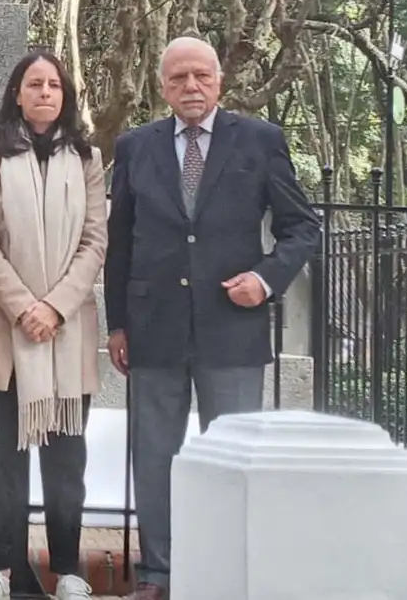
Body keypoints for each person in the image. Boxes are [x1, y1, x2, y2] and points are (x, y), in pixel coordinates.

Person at [104, 35, 320, 600]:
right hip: (154, 329)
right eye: (178, 79)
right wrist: (116, 324)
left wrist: (266, 278)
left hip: (233, 326)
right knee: (155, 456)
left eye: (201, 76)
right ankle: (158, 574)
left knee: (232, 458)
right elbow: (119, 241)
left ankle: (226, 574)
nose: (191, 87)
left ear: (220, 82)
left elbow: (302, 227)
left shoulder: (260, 141)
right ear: (162, 87)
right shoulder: (135, 147)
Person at [0, 52, 107, 600]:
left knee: (66, 463)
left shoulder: (87, 158)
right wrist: (23, 306)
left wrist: (55, 306)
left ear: (65, 95)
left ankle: (68, 570)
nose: (44, 92)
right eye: (33, 83)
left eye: (53, 84)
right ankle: (0, 569)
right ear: (16, 93)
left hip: (64, 333)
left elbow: (94, 241)